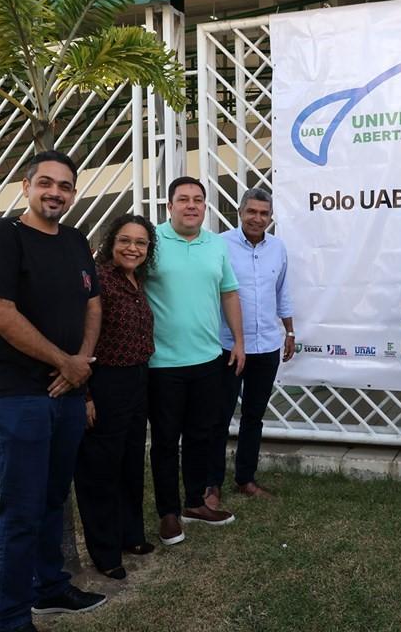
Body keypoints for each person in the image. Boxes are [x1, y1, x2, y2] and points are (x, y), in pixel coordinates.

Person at [0, 150, 106, 632]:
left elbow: (92, 304)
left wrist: (80, 364)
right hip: (16, 396)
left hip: (66, 392)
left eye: (65, 186)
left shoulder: (76, 241)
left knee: (51, 498)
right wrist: (63, 362)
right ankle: (11, 617)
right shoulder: (5, 236)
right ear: (26, 187)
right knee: (22, 509)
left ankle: (49, 589)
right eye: (45, 183)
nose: (55, 192)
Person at [145, 176, 246, 546]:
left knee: (201, 435)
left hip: (208, 359)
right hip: (162, 363)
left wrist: (238, 341)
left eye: (198, 200)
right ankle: (168, 513)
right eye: (183, 199)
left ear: (205, 206)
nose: (191, 205)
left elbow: (230, 293)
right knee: (167, 441)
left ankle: (194, 503)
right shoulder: (151, 241)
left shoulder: (216, 245)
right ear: (169, 205)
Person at [73, 214, 157, 580]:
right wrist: (85, 394)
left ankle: (130, 535)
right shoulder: (98, 280)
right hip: (104, 381)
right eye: (126, 240)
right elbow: (79, 337)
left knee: (130, 461)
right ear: (111, 242)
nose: (133, 248)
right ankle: (105, 551)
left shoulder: (136, 280)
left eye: (141, 242)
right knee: (100, 469)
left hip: (138, 380)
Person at [205, 188, 295, 509]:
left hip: (267, 345)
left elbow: (282, 292)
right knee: (220, 416)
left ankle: (245, 478)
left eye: (264, 213)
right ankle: (211, 484)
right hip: (227, 347)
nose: (257, 218)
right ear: (240, 213)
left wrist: (289, 331)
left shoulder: (278, 248)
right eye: (251, 212)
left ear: (271, 218)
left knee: (254, 416)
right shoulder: (220, 246)